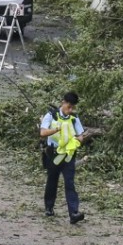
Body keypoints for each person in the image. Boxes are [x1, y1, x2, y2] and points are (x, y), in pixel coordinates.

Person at [40, 91, 85, 224]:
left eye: (73, 107)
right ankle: (49, 207)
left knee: (69, 182)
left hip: (68, 155)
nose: (70, 110)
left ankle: (74, 213)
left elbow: (80, 135)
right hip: (53, 153)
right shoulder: (51, 115)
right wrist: (57, 129)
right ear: (63, 102)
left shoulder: (74, 118)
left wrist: (76, 142)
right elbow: (42, 132)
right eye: (68, 107)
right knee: (52, 180)